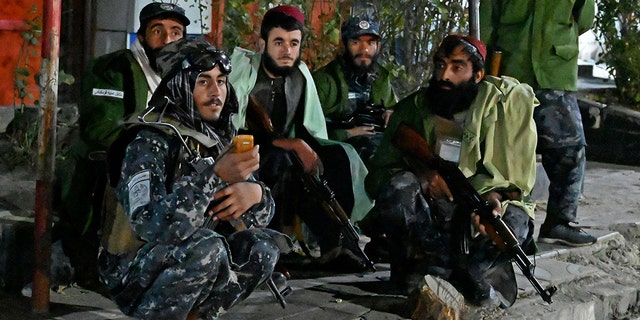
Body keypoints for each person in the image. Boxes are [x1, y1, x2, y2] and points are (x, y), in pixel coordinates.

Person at [98, 37, 283, 320]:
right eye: (203, 82)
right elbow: (149, 224)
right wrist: (214, 177)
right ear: (179, 86)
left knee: (263, 248)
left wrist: (254, 194)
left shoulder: (215, 138)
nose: (216, 92)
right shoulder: (149, 140)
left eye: (221, 81)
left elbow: (261, 215)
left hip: (188, 254)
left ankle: (196, 316)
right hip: (134, 267)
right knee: (208, 247)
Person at [360, 35, 539, 307]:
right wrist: (423, 177)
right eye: (440, 65)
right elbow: (377, 178)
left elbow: (514, 186)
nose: (444, 75)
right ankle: (419, 272)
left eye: (457, 68)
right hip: (431, 219)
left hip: (475, 215)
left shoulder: (498, 113)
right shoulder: (414, 109)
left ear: (477, 75)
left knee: (514, 223)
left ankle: (474, 275)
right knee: (400, 189)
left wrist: (493, 202)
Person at [228, 5, 374, 271]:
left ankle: (335, 244)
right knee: (280, 159)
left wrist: (304, 146)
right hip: (246, 152)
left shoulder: (300, 75)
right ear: (263, 44)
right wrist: (290, 144)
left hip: (287, 148)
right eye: (279, 42)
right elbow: (232, 131)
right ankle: (274, 245)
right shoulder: (243, 73)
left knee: (339, 156)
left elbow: (308, 128)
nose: (287, 51)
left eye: (293, 43)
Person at [54, 2, 190, 287]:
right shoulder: (112, 68)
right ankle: (109, 264)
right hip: (114, 165)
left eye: (176, 32)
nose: (168, 40)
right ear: (141, 36)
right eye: (158, 31)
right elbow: (101, 130)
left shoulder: (189, 75)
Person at [480, 0, 598, 246]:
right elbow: (487, 20)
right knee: (510, 153)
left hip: (554, 69)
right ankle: (519, 227)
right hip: (511, 69)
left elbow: (585, 19)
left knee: (571, 147)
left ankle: (560, 222)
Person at [312, 15, 398, 166]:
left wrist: (390, 114)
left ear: (378, 46)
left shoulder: (381, 79)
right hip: (339, 152)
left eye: (370, 43)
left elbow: (393, 109)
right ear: (345, 45)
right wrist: (348, 134)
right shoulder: (325, 81)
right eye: (356, 42)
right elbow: (308, 131)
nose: (364, 49)